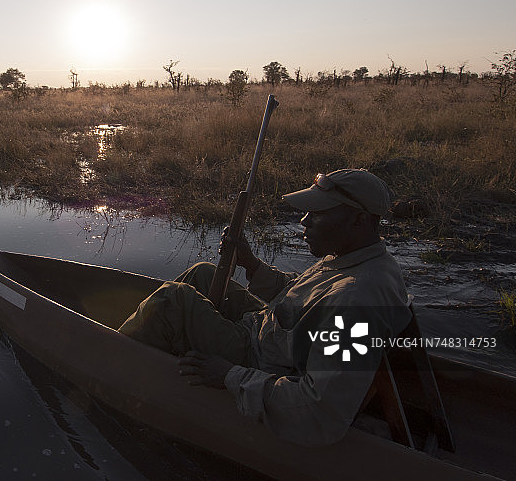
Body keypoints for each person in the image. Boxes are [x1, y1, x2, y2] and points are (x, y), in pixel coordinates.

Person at [118, 169, 411, 446]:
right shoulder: (356, 257)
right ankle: (140, 343)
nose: (304, 221)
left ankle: (111, 359)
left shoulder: (356, 303)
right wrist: (252, 264)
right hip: (268, 334)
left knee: (173, 300)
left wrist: (229, 376)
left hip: (259, 361)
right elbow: (301, 297)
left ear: (358, 220)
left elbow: (321, 413)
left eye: (319, 214)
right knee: (203, 273)